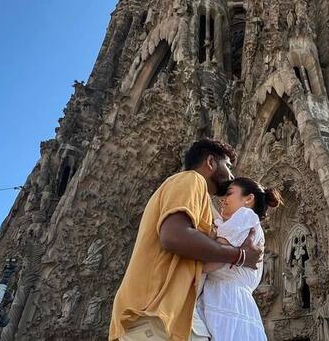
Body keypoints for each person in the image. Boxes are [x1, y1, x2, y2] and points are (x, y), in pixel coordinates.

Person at [109, 139, 263, 341]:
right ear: (210, 162)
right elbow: (174, 236)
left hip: (172, 317)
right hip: (154, 312)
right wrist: (239, 255)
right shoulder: (191, 180)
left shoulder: (202, 201)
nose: (231, 175)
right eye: (228, 166)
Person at [198, 177, 282, 341]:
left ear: (249, 199)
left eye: (229, 194)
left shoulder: (245, 216)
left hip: (225, 300)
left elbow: (209, 263)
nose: (223, 200)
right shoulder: (241, 223)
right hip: (235, 301)